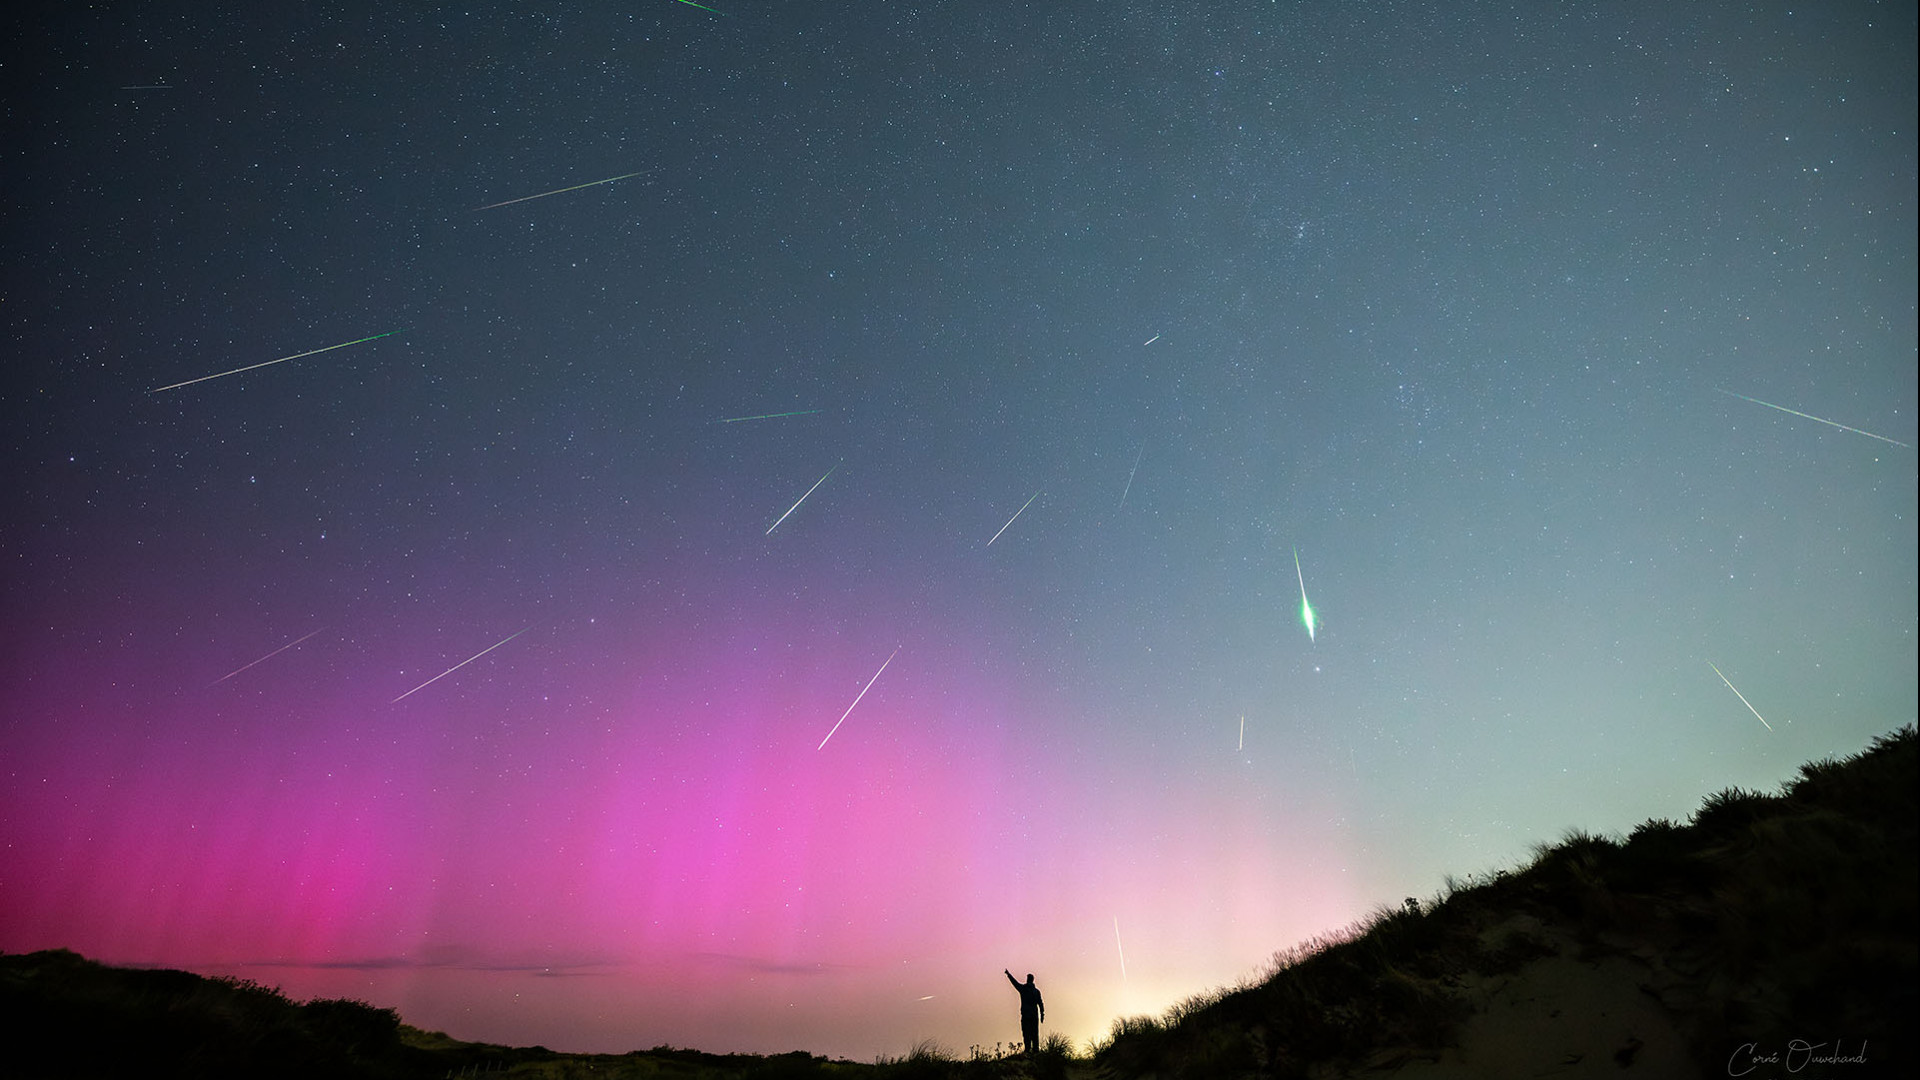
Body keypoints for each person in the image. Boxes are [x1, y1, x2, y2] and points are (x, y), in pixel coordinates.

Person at [1004, 969, 1044, 1053]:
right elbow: (1040, 1003)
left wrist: (1008, 975)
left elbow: (1015, 983)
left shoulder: (1024, 989)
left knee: (1026, 1032)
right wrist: (1042, 1014)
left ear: (1028, 979)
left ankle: (1028, 1049)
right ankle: (1035, 1050)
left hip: (1026, 1015)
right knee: (1034, 1033)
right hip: (1034, 1015)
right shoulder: (1036, 991)